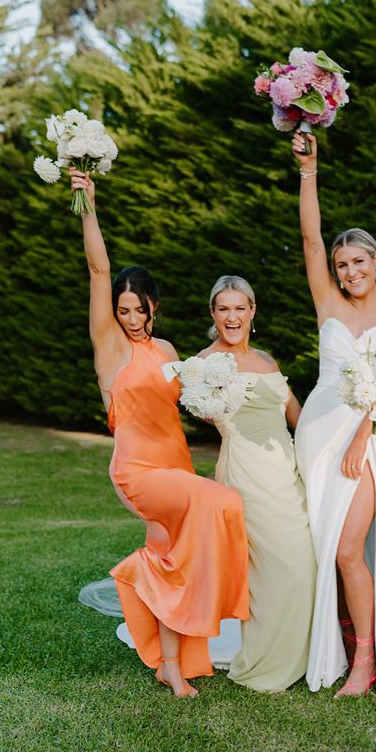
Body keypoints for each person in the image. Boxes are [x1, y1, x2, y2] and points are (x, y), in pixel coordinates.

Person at [71, 168, 249, 698]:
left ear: (154, 306)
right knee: (225, 504)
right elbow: (99, 270)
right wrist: (88, 204)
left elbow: (197, 405)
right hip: (139, 471)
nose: (129, 317)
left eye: (138, 308)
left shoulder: (170, 352)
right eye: (122, 310)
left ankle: (171, 665)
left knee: (175, 560)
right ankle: (139, 572)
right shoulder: (111, 349)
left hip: (176, 465)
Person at [291, 131, 376, 698]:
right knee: (325, 548)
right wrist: (308, 169)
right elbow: (310, 239)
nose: (347, 271)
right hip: (319, 432)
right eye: (341, 264)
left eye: (357, 261)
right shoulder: (329, 304)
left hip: (370, 436)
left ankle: (365, 661)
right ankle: (338, 640)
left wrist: (362, 437)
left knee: (349, 548)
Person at [197, 275, 316, 692]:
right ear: (213, 313)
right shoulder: (204, 363)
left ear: (252, 312)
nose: (232, 317)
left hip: (286, 470)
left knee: (304, 563)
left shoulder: (266, 360)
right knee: (276, 566)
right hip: (246, 471)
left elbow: (295, 415)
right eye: (223, 308)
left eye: (240, 308)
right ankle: (264, 664)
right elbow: (210, 415)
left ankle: (297, 657)